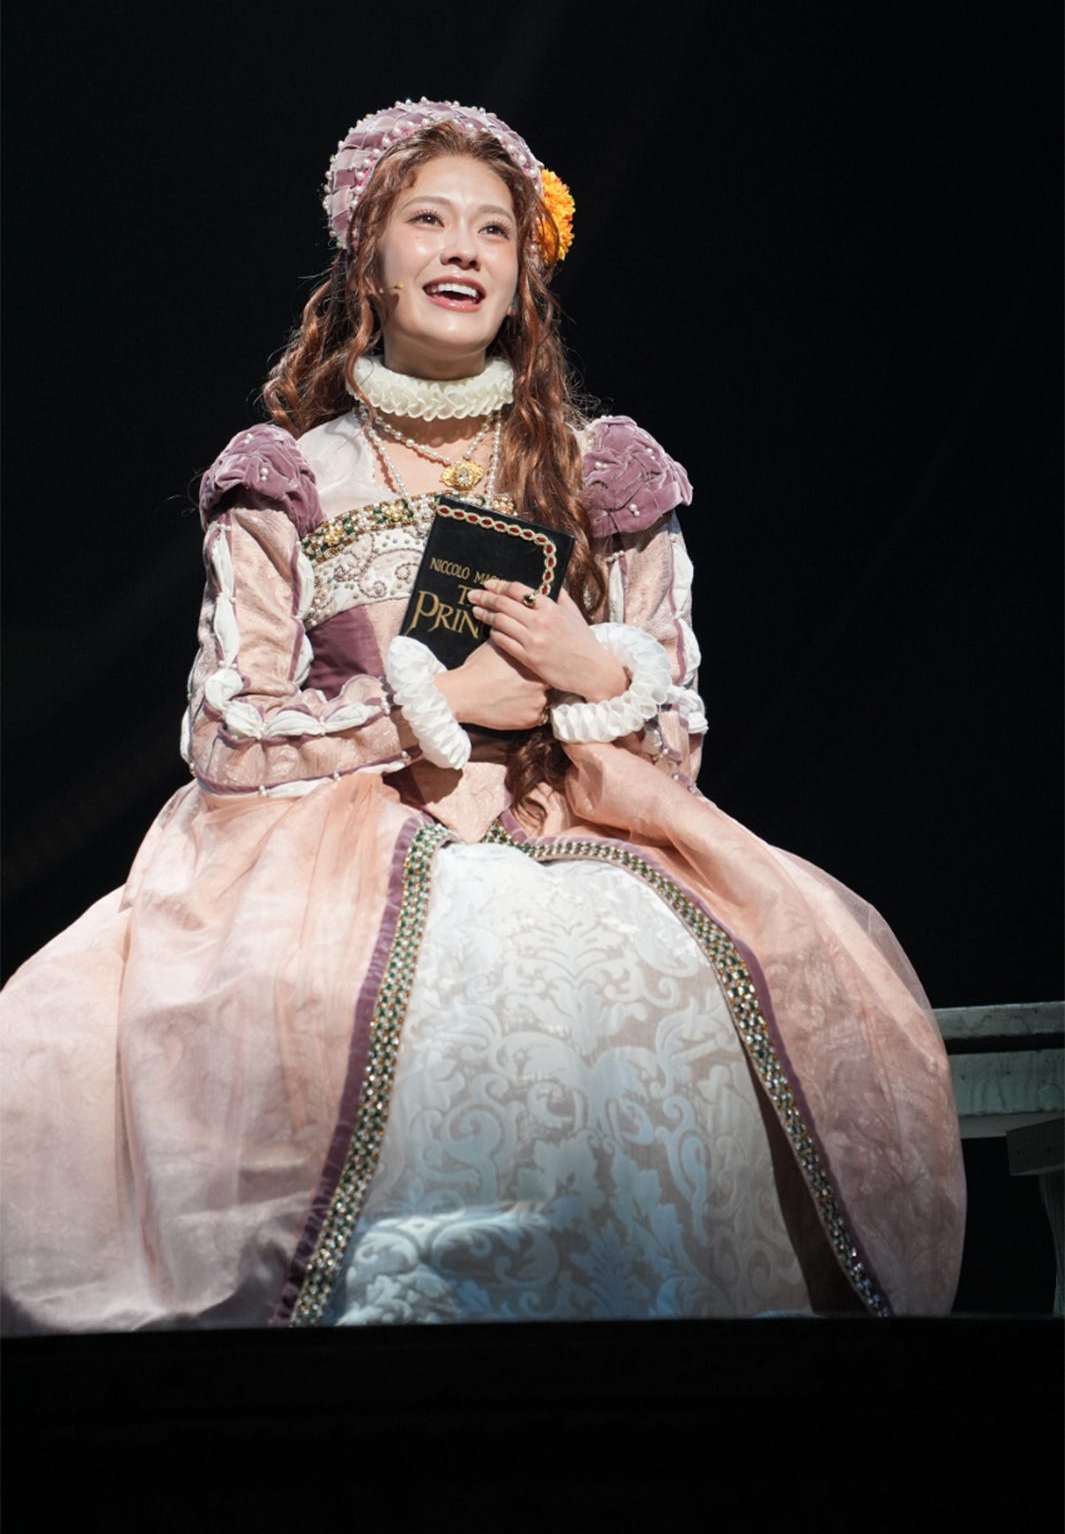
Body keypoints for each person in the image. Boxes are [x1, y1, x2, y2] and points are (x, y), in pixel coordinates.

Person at [0, 100, 964, 1332]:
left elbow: (678, 743)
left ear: (523, 274)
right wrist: (438, 705)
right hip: (334, 844)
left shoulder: (597, 471)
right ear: (371, 262)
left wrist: (590, 668)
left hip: (576, 825)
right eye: (429, 221)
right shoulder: (292, 475)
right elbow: (228, 730)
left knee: (639, 974)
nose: (462, 248)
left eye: (494, 229)